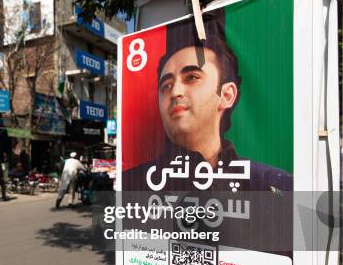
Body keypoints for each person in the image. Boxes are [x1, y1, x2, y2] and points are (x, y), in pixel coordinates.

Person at [123, 21, 292, 193]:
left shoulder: (275, 185)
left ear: (227, 95)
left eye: (191, 77)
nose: (175, 92)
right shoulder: (131, 185)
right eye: (166, 85)